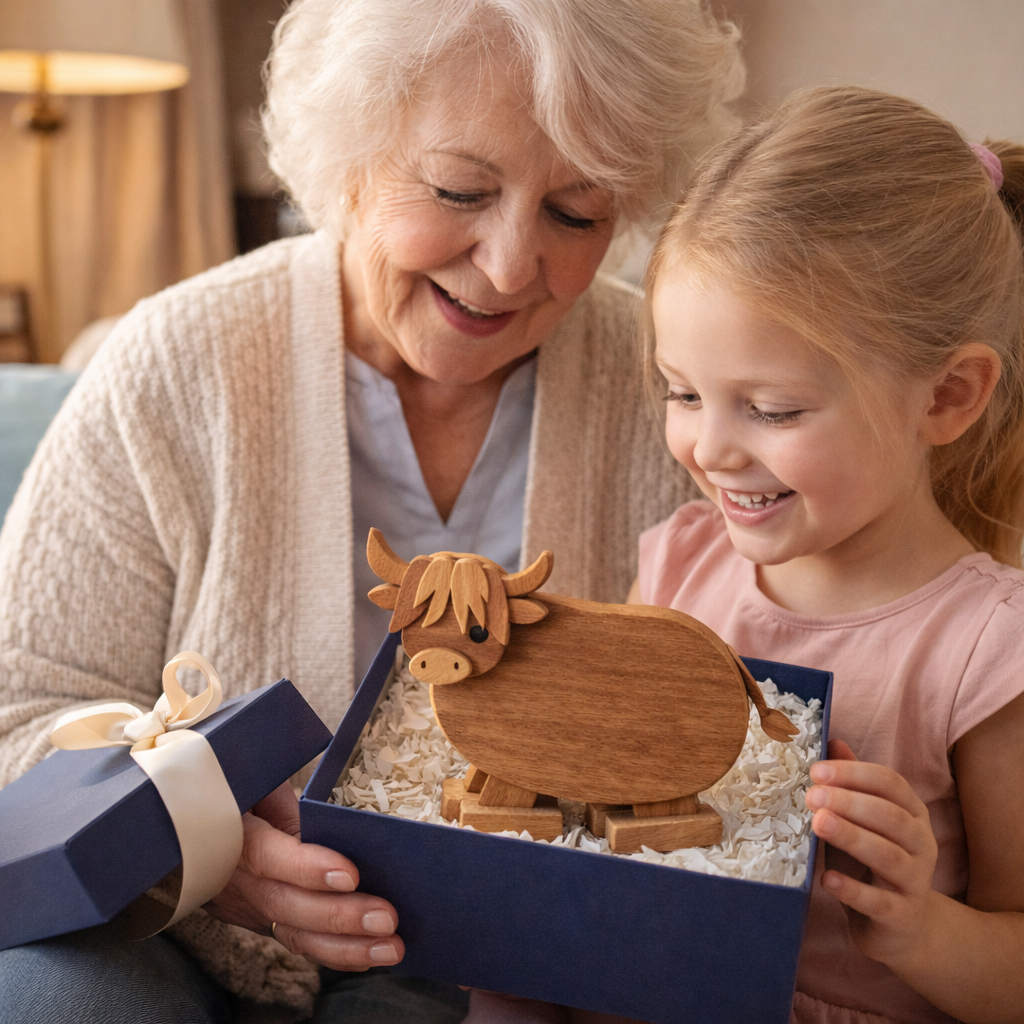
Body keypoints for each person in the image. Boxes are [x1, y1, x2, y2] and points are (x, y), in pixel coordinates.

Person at [0, 1, 743, 1021]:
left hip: (542, 963)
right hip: (190, 932)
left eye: (577, 213)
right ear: (346, 155)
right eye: (457, 190)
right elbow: (23, 705)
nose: (509, 265)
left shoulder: (674, 385)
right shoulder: (177, 358)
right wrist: (216, 849)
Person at [633, 87, 1024, 1024]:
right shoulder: (682, 563)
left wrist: (915, 927)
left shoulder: (985, 649)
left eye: (771, 410)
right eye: (682, 393)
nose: (712, 450)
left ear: (947, 397)